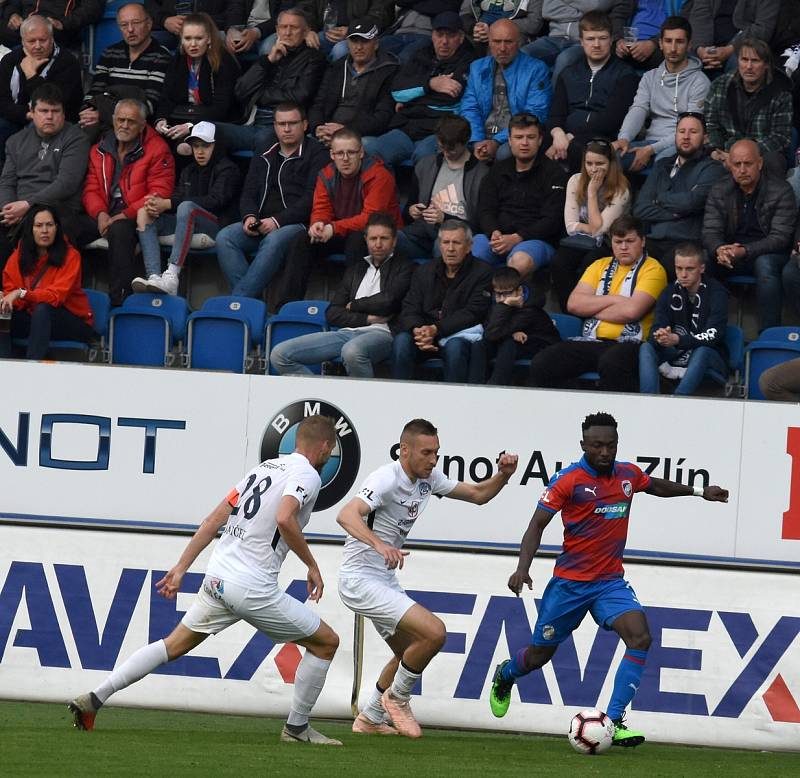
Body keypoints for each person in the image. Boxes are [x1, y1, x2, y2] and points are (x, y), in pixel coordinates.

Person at [69, 414, 342, 746]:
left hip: (218, 577)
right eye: (332, 449)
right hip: (251, 587)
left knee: (172, 645)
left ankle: (95, 698)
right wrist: (312, 566)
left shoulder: (264, 469)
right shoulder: (307, 475)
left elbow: (215, 518)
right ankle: (296, 729)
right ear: (325, 446)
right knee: (326, 642)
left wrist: (182, 567)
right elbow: (285, 517)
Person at [489, 412, 728, 747]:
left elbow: (655, 485)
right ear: (583, 445)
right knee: (538, 656)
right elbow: (536, 525)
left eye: (610, 445)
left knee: (640, 636)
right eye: (597, 445)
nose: (604, 451)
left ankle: (613, 722)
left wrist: (701, 492)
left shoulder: (627, 474)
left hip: (609, 583)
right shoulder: (568, 480)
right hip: (569, 585)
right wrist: (522, 567)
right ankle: (506, 674)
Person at [337, 417, 519, 737]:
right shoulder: (386, 478)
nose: (433, 460)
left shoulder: (429, 478)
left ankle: (370, 718)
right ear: (404, 450)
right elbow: (346, 514)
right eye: (426, 453)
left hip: (383, 578)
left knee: (409, 651)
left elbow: (478, 494)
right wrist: (380, 545)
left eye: (436, 452)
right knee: (434, 633)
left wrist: (502, 476)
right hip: (359, 578)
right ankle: (398, 697)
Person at [529, 215, 667, 392]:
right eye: (618, 242)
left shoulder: (653, 269)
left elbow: (632, 311)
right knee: (543, 362)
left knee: (611, 362)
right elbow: (573, 304)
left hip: (631, 344)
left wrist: (591, 308)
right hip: (591, 340)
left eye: (630, 241)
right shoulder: (598, 265)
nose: (624, 247)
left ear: (643, 241)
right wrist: (615, 300)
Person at [270, 212, 413, 376]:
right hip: (346, 332)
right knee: (280, 354)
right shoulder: (355, 270)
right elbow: (332, 313)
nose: (378, 244)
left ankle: (364, 402)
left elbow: (389, 301)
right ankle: (323, 395)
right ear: (366, 240)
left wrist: (354, 305)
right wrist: (367, 318)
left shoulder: (406, 268)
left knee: (352, 352)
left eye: (384, 238)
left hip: (383, 334)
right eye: (373, 239)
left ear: (394, 241)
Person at [216, 103, 329, 299]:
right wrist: (249, 217)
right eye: (281, 124)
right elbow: (249, 191)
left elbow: (311, 199)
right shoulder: (265, 150)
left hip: (298, 224)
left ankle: (240, 303)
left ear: (304, 125)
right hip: (262, 222)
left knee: (273, 240)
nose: (286, 129)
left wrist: (276, 221)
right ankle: (251, 303)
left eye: (292, 123)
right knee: (225, 237)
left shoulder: (317, 154)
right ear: (274, 126)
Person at [278, 127, 402, 306]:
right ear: (332, 155)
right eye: (340, 153)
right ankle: (286, 307)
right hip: (339, 231)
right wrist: (318, 224)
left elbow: (371, 219)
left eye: (351, 152)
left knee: (357, 240)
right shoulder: (326, 174)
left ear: (361, 153)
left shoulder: (379, 175)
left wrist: (334, 228)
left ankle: (352, 305)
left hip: (375, 235)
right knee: (302, 240)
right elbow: (321, 208)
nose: (345, 158)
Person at [80, 99, 175, 306]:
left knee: (120, 231)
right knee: (66, 225)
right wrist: (100, 214)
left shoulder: (158, 149)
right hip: (104, 212)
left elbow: (159, 192)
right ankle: (69, 295)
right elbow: (91, 188)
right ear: (113, 120)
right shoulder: (99, 148)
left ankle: (120, 302)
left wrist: (124, 215)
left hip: (134, 214)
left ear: (142, 125)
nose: (124, 125)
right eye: (120, 120)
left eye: (130, 121)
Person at [132, 122, 241, 295]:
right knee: (144, 213)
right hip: (186, 221)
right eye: (196, 146)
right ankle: (154, 276)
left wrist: (169, 204)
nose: (200, 151)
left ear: (216, 145)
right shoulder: (189, 170)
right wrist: (157, 204)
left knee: (186, 207)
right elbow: (176, 198)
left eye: (206, 146)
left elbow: (216, 201)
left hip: (217, 225)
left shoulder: (228, 169)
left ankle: (172, 276)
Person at [702, 139, 795, 333]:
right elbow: (710, 231)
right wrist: (719, 249)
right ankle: (707, 330)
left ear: (760, 164)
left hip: (768, 254)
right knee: (703, 259)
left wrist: (745, 251)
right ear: (730, 166)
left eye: (748, 163)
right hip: (731, 255)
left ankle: (769, 334)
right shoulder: (719, 189)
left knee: (765, 265)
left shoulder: (781, 190)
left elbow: (780, 238)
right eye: (737, 164)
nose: (742, 170)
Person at [390, 219, 492, 383]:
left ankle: (454, 402)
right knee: (402, 341)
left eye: (456, 243)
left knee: (455, 348)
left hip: (459, 335)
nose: (450, 248)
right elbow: (410, 307)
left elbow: (474, 312)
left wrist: (436, 329)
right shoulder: (424, 271)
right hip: (426, 335)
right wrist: (418, 330)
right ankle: (401, 398)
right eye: (446, 242)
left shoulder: (483, 272)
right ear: (440, 245)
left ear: (469, 246)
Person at [0, 83, 89, 265]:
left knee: (36, 227)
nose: (49, 116)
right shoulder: (15, 141)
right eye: (43, 110)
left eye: (55, 111)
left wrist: (27, 205)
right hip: (19, 209)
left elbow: (66, 183)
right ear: (31, 112)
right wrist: (8, 209)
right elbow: (7, 182)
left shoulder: (76, 138)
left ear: (64, 113)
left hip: (59, 209)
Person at [473, 113, 567, 278]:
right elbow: (485, 209)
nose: (524, 143)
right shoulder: (497, 170)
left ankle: (511, 301)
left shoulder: (554, 173)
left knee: (520, 262)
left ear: (539, 140)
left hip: (536, 240)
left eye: (530, 137)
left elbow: (552, 220)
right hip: (497, 237)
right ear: (509, 140)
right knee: (470, 254)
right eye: (518, 137)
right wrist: (493, 231)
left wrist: (518, 237)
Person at [633, 111, 725, 279]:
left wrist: (659, 198)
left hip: (687, 243)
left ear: (705, 138)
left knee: (659, 272)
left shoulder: (713, 169)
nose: (686, 136)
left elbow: (692, 202)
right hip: (654, 240)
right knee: (626, 264)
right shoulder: (662, 165)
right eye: (682, 131)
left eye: (693, 132)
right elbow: (640, 209)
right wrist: (676, 212)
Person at [546, 10, 639, 174]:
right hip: (567, 137)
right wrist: (558, 134)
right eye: (590, 39)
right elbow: (556, 114)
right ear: (581, 41)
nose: (596, 44)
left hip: (602, 137)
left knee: (578, 149)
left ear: (611, 40)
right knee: (532, 145)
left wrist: (570, 137)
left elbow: (611, 120)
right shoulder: (568, 73)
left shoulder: (625, 75)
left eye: (602, 38)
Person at [377, 11, 476, 164]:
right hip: (407, 127)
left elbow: (448, 98)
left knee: (424, 157)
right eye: (440, 34)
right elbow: (396, 91)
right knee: (371, 150)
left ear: (461, 38)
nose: (444, 41)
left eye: (450, 35)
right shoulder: (420, 54)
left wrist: (411, 97)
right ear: (432, 35)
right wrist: (431, 84)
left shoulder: (469, 60)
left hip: (439, 131)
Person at [613, 16, 709, 173]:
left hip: (680, 145)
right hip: (650, 141)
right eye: (668, 41)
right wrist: (624, 138)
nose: (673, 48)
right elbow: (638, 109)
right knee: (609, 157)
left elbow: (690, 131)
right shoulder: (650, 77)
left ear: (689, 44)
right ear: (660, 44)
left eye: (679, 41)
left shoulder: (700, 82)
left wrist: (651, 149)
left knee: (662, 162)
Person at [222, 9, 327, 153]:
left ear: (305, 32)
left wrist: (260, 96)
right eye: (283, 27)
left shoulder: (314, 59)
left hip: (283, 128)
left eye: (294, 28)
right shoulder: (269, 57)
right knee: (206, 129)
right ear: (277, 30)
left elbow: (299, 96)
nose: (287, 32)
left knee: (264, 139)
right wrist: (268, 61)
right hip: (252, 124)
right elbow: (240, 91)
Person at [0, 205, 95, 360]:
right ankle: (4, 367)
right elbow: (11, 289)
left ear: (57, 228)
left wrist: (21, 293)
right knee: (2, 311)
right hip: (34, 317)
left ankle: (33, 367)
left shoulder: (71, 256)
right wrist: (4, 298)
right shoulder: (19, 254)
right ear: (30, 229)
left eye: (49, 225)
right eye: (38, 226)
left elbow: (56, 296)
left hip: (72, 322)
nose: (45, 230)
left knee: (43, 309)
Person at [550, 138, 630, 312]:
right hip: (578, 240)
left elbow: (600, 231)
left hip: (609, 243)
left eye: (600, 163)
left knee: (591, 262)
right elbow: (571, 226)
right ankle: (569, 311)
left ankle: (588, 311)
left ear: (611, 164)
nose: (593, 169)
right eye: (589, 163)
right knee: (559, 262)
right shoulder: (575, 180)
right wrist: (590, 228)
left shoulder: (620, 190)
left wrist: (592, 194)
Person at [639, 242, 729, 395]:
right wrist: (660, 336)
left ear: (702, 268)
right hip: (675, 350)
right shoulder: (669, 292)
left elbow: (712, 336)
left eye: (689, 269)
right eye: (679, 268)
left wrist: (678, 340)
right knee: (646, 347)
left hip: (711, 356)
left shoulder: (717, 293)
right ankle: (648, 400)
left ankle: (679, 400)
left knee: (702, 350)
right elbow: (656, 327)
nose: (683, 274)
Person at [396, 114, 487, 261]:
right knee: (389, 240)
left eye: (451, 149)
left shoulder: (481, 174)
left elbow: (480, 225)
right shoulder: (425, 165)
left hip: (457, 235)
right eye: (441, 148)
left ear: (465, 142)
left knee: (443, 246)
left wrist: (445, 218)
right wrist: (412, 211)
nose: (446, 153)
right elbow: (409, 208)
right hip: (423, 231)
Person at [460, 18, 551, 164]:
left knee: (504, 153)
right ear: (489, 42)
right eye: (496, 41)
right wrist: (477, 140)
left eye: (508, 42)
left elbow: (535, 113)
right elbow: (470, 107)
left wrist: (496, 141)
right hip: (481, 133)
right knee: (449, 143)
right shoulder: (477, 67)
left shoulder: (536, 69)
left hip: (515, 136)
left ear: (519, 42)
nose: (502, 48)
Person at [79, 4, 173, 142]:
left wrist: (101, 113)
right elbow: (95, 91)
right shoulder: (109, 52)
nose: (130, 29)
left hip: (137, 126)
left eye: (136, 23)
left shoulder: (161, 56)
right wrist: (87, 110)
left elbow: (149, 105)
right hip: (104, 122)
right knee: (77, 135)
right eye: (124, 24)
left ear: (149, 24)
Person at [308, 20, 400, 159]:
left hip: (362, 133)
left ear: (376, 44)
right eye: (354, 41)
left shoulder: (389, 71)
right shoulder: (337, 67)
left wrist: (345, 131)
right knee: (303, 142)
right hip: (330, 131)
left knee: (362, 146)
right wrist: (318, 128)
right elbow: (318, 103)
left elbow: (383, 117)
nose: (358, 47)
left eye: (364, 41)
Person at [0, 15, 83, 163]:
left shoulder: (67, 62)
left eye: (43, 40)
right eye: (31, 41)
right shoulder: (10, 61)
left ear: (52, 39)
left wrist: (31, 76)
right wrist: (28, 114)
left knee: (38, 128)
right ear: (22, 41)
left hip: (55, 121)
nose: (37, 46)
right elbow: (2, 102)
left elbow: (56, 104)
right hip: (19, 118)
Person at [704, 37, 792, 176]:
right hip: (725, 150)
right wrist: (715, 150)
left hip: (761, 154)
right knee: (704, 160)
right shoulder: (720, 85)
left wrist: (741, 155)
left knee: (774, 161)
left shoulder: (780, 91)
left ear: (766, 64)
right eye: (744, 60)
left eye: (755, 61)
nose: (749, 66)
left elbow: (780, 137)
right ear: (738, 61)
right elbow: (711, 125)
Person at [154, 14, 240, 147]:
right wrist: (161, 119)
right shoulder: (179, 59)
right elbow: (167, 95)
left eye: (198, 38)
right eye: (188, 38)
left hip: (216, 120)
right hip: (185, 117)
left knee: (191, 142)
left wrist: (190, 126)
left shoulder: (224, 61)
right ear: (181, 40)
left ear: (209, 39)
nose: (193, 44)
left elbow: (221, 107)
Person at [467, 265, 559, 386]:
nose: (502, 299)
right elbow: (489, 330)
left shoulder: (530, 309)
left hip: (539, 343)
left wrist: (504, 307)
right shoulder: (497, 304)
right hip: (508, 339)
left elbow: (493, 333)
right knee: (480, 345)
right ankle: (474, 386)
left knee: (508, 343)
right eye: (498, 294)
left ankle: (496, 386)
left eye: (507, 294)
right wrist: (510, 331)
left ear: (519, 291)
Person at [683, 0, 780, 74]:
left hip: (741, 44)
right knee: (685, 59)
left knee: (742, 62)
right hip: (707, 45)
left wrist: (729, 50)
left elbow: (763, 28)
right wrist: (701, 49)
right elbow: (700, 16)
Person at [295, 0, 397, 62]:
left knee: (341, 50)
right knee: (291, 39)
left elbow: (381, 15)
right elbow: (304, 8)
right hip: (324, 32)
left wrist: (352, 30)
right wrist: (307, 29)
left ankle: (335, 88)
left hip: (359, 35)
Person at [1, 0, 103, 50]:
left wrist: (64, 23)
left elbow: (93, 9)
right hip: (24, 25)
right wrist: (13, 14)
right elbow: (13, 3)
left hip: (58, 29)